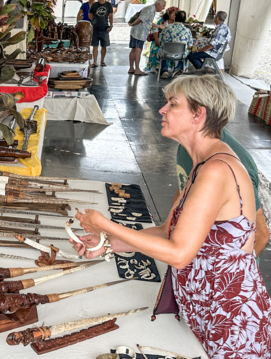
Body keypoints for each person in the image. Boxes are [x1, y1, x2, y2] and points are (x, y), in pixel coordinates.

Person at [72, 75, 271, 358]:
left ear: (198, 114)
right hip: (206, 309)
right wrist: (105, 242)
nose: (162, 109)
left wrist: (105, 223)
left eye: (173, 104)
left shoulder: (217, 170)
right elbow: (168, 232)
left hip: (230, 318)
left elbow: (178, 254)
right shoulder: (202, 164)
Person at [128, 0, 166, 75]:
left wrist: (158, 26)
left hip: (136, 32)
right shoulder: (150, 9)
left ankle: (131, 68)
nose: (163, 8)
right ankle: (137, 69)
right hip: (140, 33)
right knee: (138, 50)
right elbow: (140, 19)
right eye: (163, 6)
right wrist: (132, 24)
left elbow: (148, 21)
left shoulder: (150, 9)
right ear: (158, 4)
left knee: (134, 50)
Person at [159, 10, 192, 79]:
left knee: (162, 49)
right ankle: (178, 70)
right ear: (184, 20)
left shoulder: (166, 28)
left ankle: (164, 70)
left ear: (175, 18)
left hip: (166, 54)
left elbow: (160, 41)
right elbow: (189, 46)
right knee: (188, 53)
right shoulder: (187, 31)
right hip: (180, 55)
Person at [144, 6, 177, 73]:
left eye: (176, 14)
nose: (174, 15)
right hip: (161, 41)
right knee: (156, 49)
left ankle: (171, 68)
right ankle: (157, 67)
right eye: (172, 13)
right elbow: (154, 29)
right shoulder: (162, 21)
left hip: (173, 43)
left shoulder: (177, 22)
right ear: (168, 14)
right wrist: (157, 39)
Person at [88, 0, 113, 68]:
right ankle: (95, 62)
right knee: (95, 45)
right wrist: (95, 21)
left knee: (104, 45)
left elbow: (111, 15)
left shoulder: (108, 5)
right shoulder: (94, 5)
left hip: (105, 28)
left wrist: (111, 25)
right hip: (95, 28)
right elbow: (90, 14)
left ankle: (102, 61)